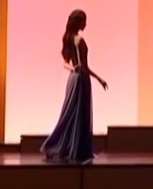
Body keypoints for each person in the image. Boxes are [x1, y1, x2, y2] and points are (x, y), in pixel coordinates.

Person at [41, 9, 107, 163]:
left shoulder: (68, 39)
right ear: (79, 22)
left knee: (70, 113)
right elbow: (84, 67)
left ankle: (70, 146)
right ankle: (78, 149)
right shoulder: (79, 40)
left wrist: (73, 68)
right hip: (81, 80)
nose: (86, 24)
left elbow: (66, 63)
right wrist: (99, 79)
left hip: (72, 79)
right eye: (84, 21)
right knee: (79, 114)